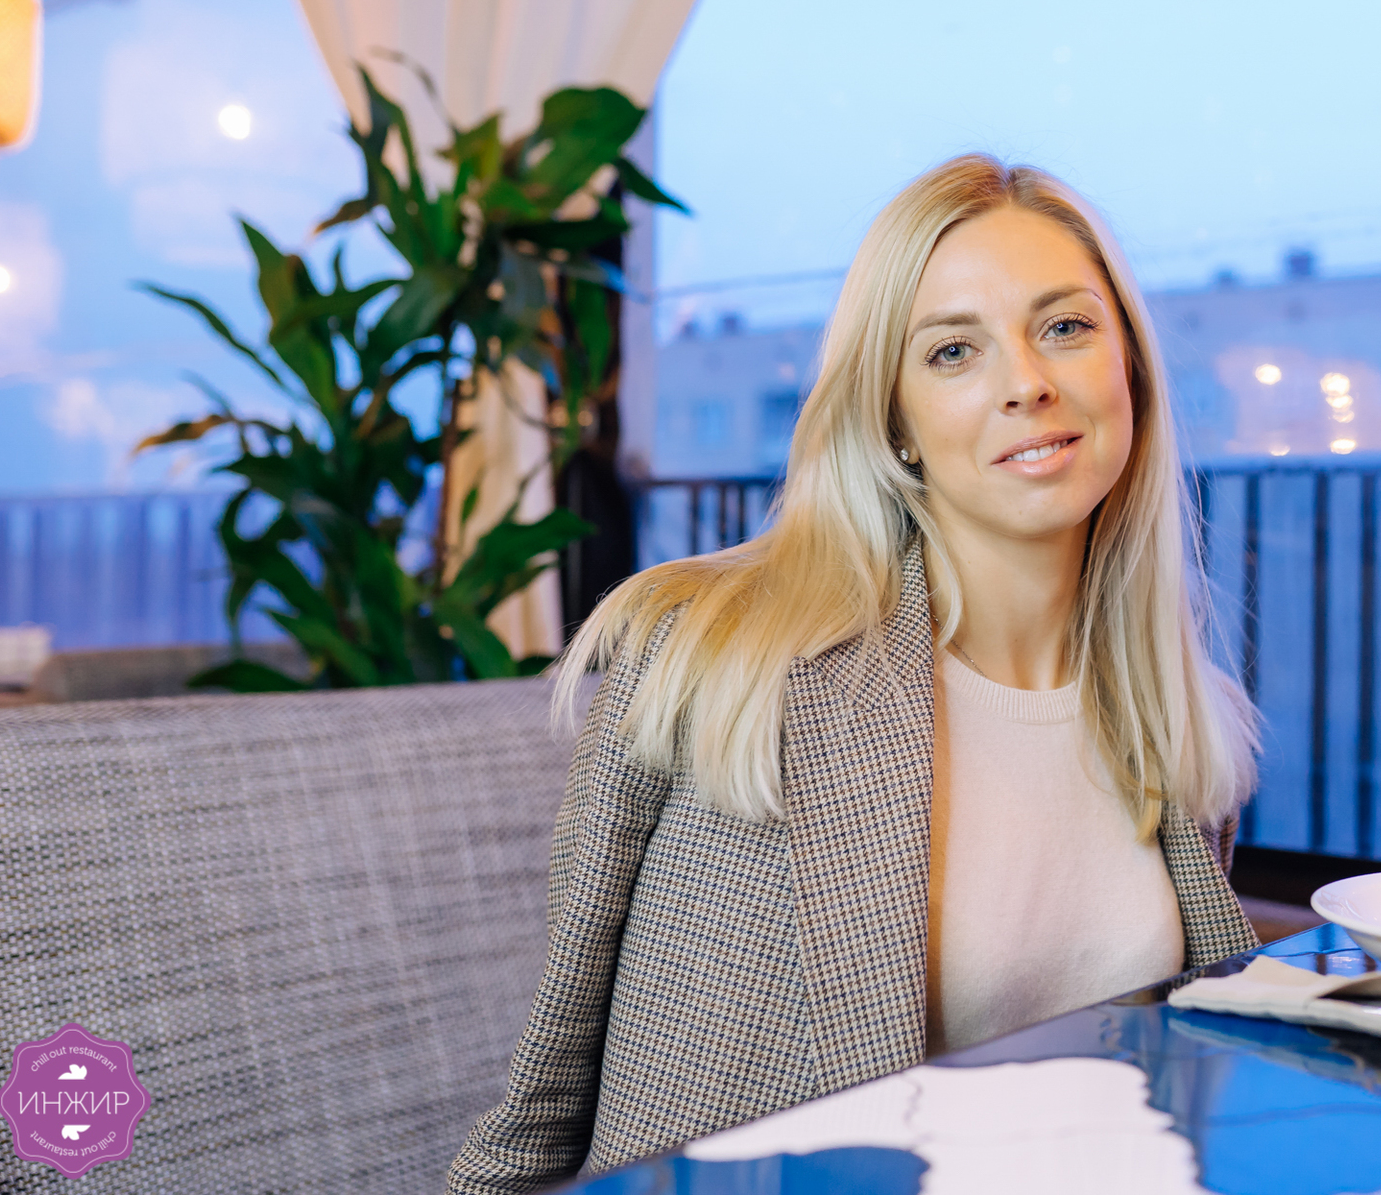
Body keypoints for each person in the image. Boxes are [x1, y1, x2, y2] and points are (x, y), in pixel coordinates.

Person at [446, 154, 1260, 1193]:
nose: (1027, 382)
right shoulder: (714, 655)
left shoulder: (1180, 719)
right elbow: (540, 1111)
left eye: (1065, 326)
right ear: (894, 424)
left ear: (1129, 369)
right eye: (954, 351)